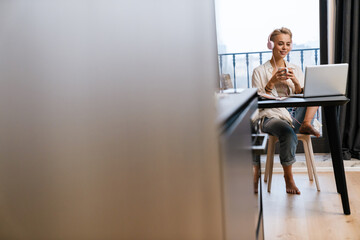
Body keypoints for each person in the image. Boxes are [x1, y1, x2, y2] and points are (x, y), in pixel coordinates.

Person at [252, 27, 320, 195]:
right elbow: (258, 100)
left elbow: (304, 96)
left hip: (295, 115)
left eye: (288, 44)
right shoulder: (259, 71)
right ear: (271, 45)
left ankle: (305, 123)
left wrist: (296, 83)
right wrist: (272, 82)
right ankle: (288, 178)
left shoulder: (295, 69)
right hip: (272, 116)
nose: (284, 48)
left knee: (316, 92)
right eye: (280, 43)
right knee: (287, 133)